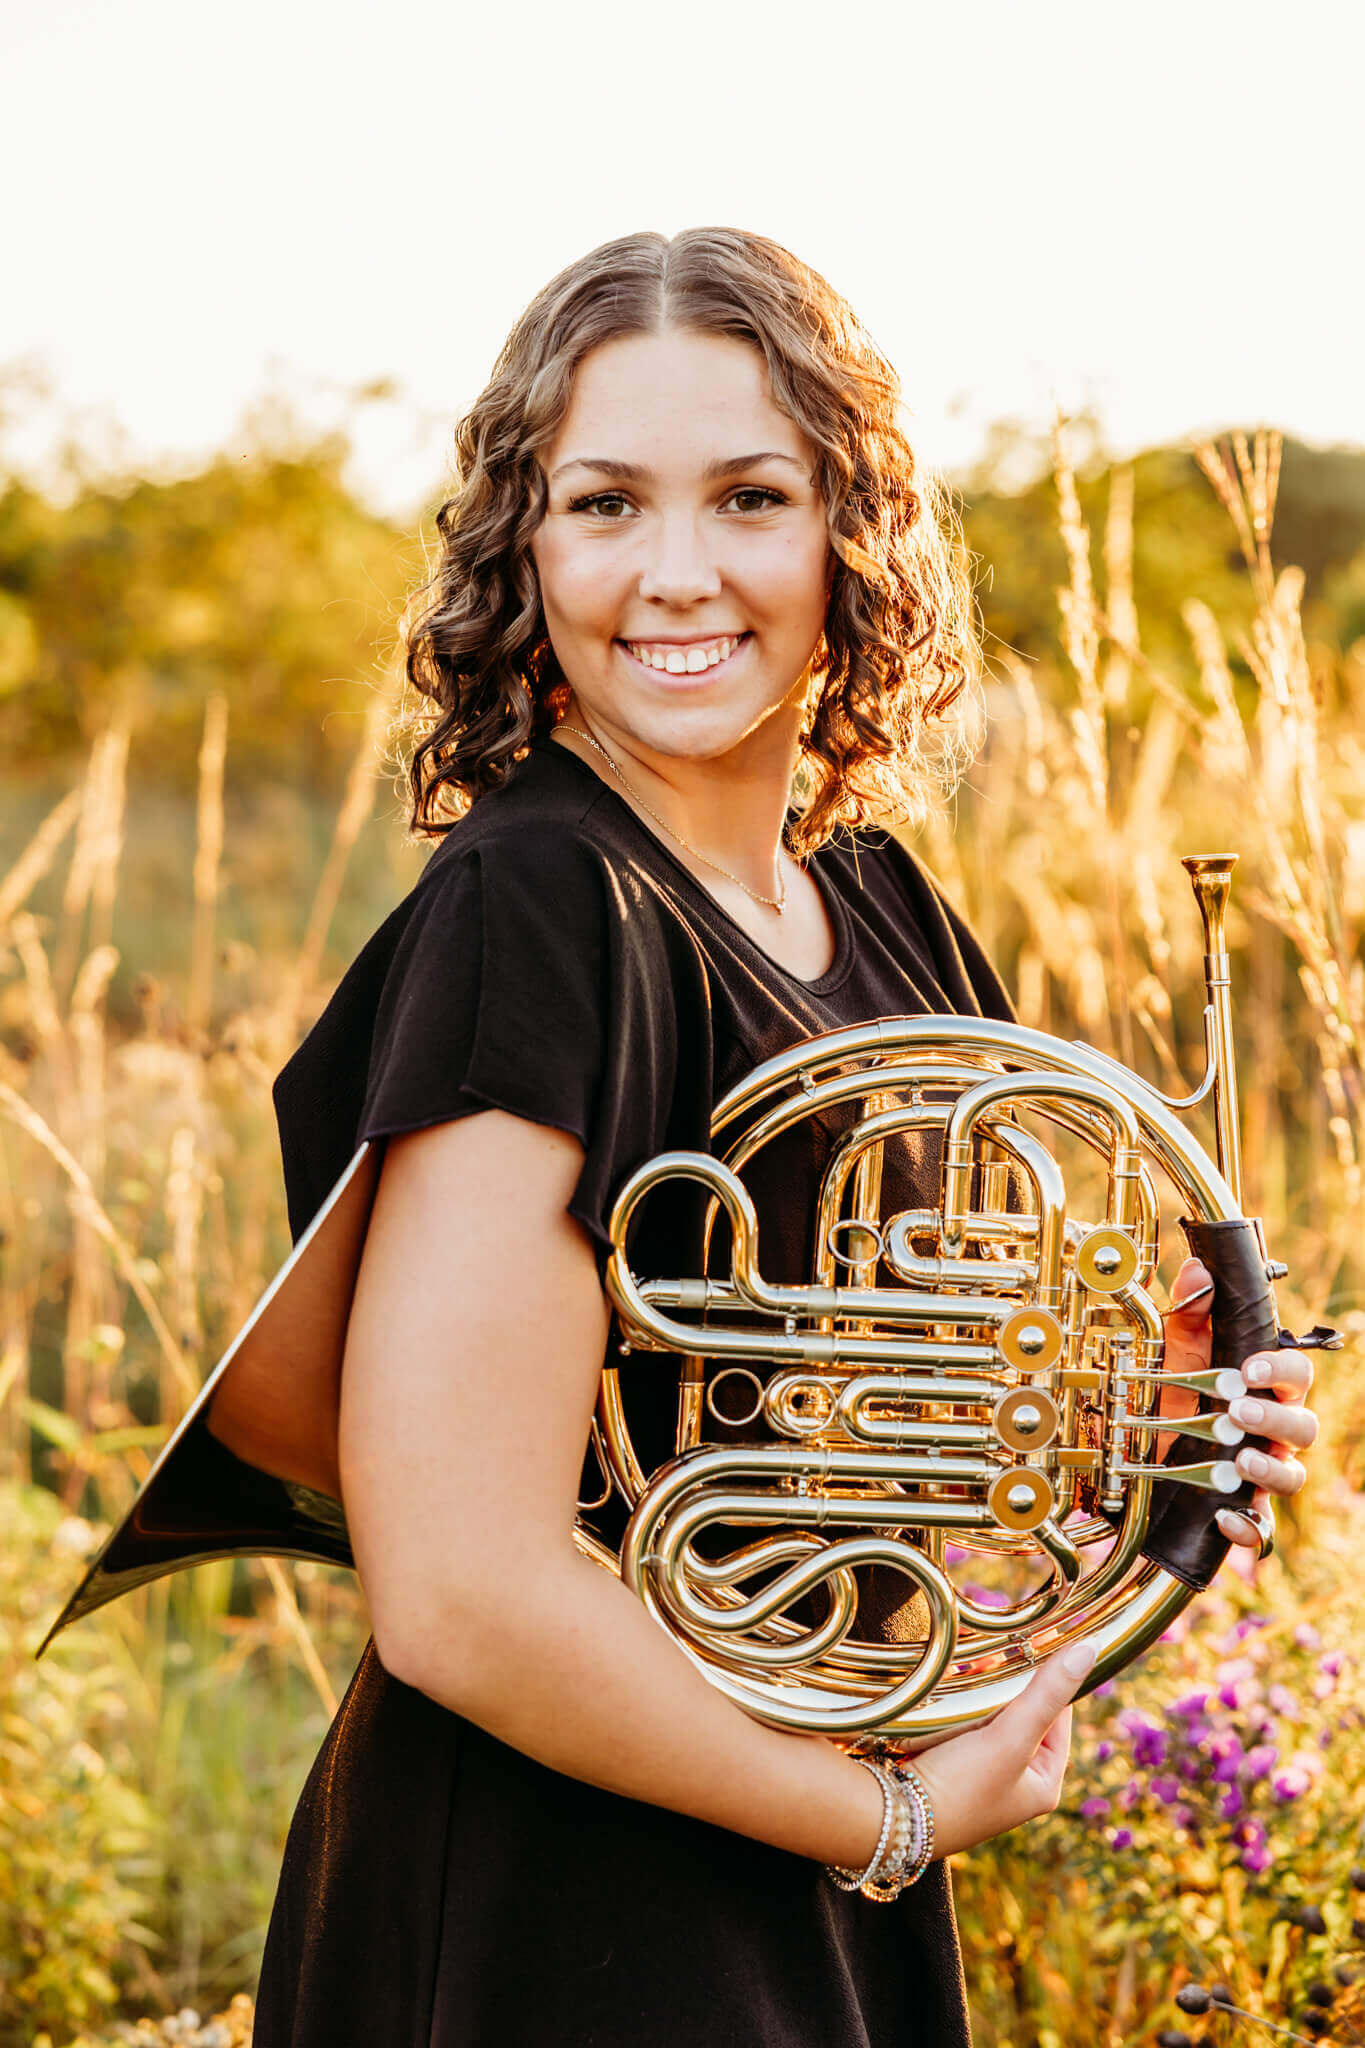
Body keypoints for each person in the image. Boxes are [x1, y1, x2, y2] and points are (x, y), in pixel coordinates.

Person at [251, 227, 1318, 2046]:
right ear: (524, 549)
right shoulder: (541, 906)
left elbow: (925, 1429)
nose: (676, 576)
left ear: (853, 530)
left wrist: (1143, 1417)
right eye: (603, 505)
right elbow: (460, 1589)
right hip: (560, 1907)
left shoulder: (877, 902)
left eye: (750, 496)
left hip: (791, 1841)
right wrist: (884, 1819)